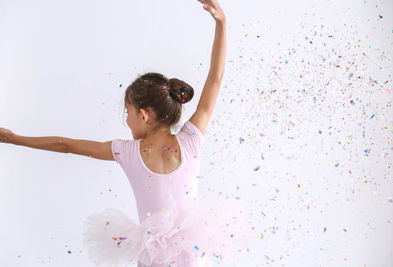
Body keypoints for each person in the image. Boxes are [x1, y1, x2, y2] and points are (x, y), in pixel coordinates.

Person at [0, 0, 255, 266]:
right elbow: (215, 79)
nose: (127, 120)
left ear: (143, 115)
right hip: (194, 256)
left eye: (128, 112)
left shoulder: (127, 151)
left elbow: (65, 145)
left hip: (154, 258)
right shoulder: (191, 140)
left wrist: (15, 138)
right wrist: (222, 23)